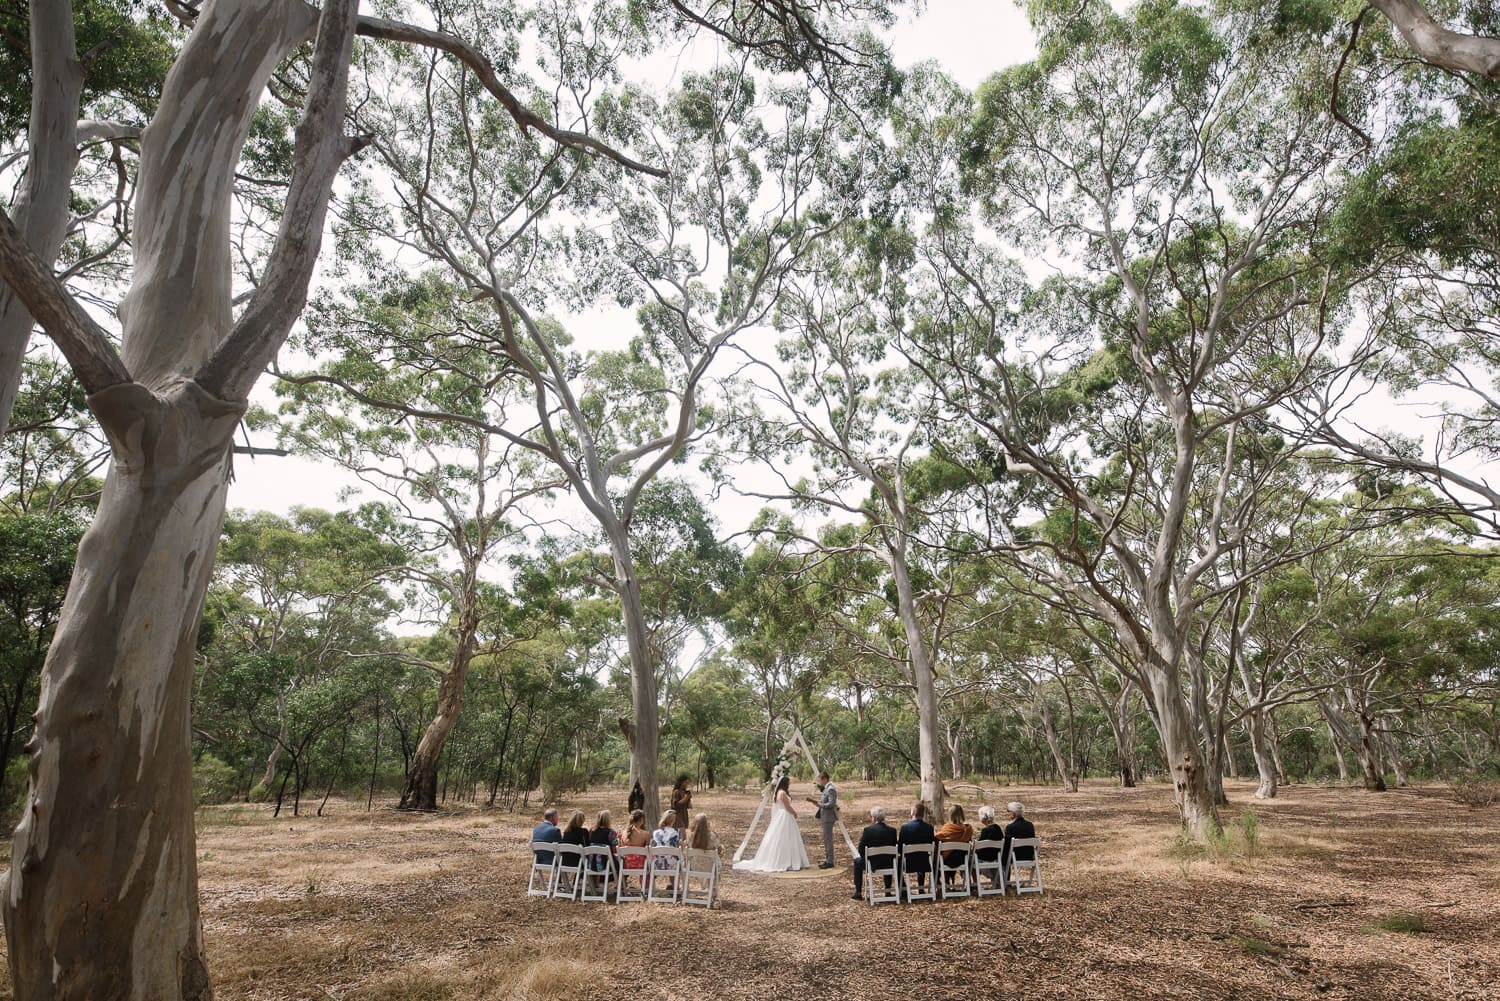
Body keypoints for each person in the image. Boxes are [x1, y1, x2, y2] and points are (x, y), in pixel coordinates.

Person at [733, 775, 809, 873]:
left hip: (783, 816)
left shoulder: (779, 792)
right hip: (784, 815)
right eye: (788, 782)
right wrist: (795, 813)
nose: (790, 784)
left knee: (788, 837)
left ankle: (790, 859)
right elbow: (787, 806)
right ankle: (784, 860)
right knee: (784, 837)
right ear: (785, 783)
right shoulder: (782, 793)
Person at [851, 805, 898, 900]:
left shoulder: (868, 830)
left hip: (872, 864)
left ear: (874, 818)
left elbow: (861, 849)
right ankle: (887, 891)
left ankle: (858, 892)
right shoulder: (892, 831)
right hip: (889, 863)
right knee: (888, 857)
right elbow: (894, 848)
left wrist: (867, 858)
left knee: (857, 861)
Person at [897, 801, 935, 897]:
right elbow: (931, 843)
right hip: (925, 861)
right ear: (923, 814)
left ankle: (903, 888)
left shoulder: (905, 828)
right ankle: (921, 888)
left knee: (896, 863)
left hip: (908, 861)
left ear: (913, 813)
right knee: (921, 856)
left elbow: (900, 847)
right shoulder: (929, 828)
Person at [804, 769, 839, 868]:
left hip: (829, 817)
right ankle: (828, 859)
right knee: (826, 838)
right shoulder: (826, 788)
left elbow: (831, 803)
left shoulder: (831, 788)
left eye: (820, 780)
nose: (820, 782)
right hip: (825, 816)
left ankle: (830, 861)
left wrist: (819, 804)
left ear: (825, 779)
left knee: (828, 839)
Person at [934, 804, 974, 888]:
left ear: (950, 815)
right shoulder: (968, 829)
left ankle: (943, 883)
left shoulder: (947, 828)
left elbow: (937, 838)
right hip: (962, 859)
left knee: (938, 856)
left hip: (947, 860)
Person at [1002, 801, 1036, 867]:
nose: (1008, 813)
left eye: (1008, 811)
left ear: (1013, 813)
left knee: (1003, 856)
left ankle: (1004, 877)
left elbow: (1006, 846)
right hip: (1029, 856)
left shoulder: (1010, 827)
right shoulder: (1030, 825)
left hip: (1015, 857)